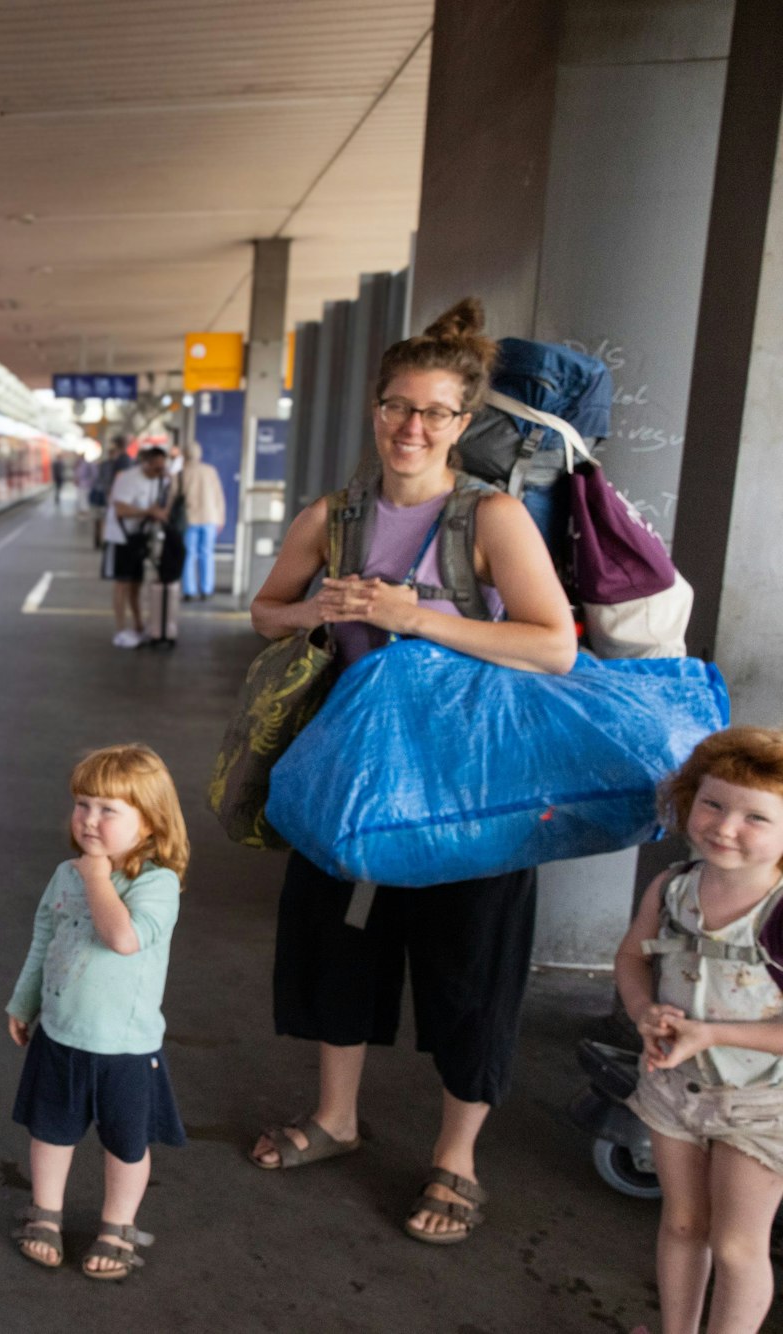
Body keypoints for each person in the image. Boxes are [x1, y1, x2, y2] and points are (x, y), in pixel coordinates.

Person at [243, 298, 576, 1244]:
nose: (411, 427)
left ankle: (456, 1159)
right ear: (375, 410)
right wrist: (319, 610)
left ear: (462, 424)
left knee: (470, 961)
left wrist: (413, 615)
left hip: (473, 781)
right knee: (338, 943)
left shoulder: (492, 516)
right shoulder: (334, 514)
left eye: (433, 412)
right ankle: (338, 1120)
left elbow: (552, 646)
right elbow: (267, 611)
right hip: (355, 774)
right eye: (397, 406)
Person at [615, 727, 783, 1334]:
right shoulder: (673, 887)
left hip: (763, 1101)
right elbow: (633, 956)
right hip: (674, 1083)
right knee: (683, 1223)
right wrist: (641, 1011)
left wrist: (711, 1034)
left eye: (755, 817)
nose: (725, 826)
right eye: (712, 803)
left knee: (738, 1246)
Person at [6, 744, 188, 1280]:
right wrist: (25, 1000)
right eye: (83, 804)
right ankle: (46, 1215)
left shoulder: (157, 884)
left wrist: (97, 876)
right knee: (50, 1132)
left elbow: (123, 939)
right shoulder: (68, 874)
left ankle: (117, 1227)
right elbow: (45, 939)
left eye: (110, 810)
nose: (89, 820)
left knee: (126, 1145)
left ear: (151, 824)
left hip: (125, 1050)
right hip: (61, 1036)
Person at [101, 447, 171, 648]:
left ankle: (139, 625)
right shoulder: (128, 479)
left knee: (136, 584)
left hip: (140, 538)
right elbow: (120, 509)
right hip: (121, 538)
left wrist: (168, 484)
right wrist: (147, 511)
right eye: (156, 468)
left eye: (162, 468)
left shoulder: (161, 481)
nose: (159, 472)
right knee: (121, 584)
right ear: (145, 463)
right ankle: (120, 630)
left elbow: (162, 507)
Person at [177, 443, 226, 601]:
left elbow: (173, 497)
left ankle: (189, 590)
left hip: (189, 519)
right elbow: (219, 496)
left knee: (188, 555)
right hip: (210, 517)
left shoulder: (181, 473)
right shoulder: (210, 471)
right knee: (207, 553)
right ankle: (206, 589)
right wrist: (220, 518)